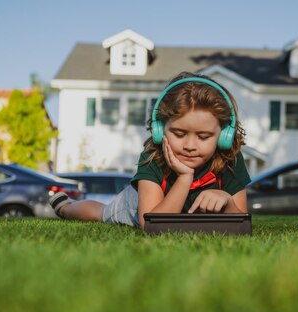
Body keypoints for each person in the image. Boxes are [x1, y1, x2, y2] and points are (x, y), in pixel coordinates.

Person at [50, 72, 251, 230]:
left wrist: (228, 204)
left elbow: (241, 224)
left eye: (204, 137)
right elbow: (153, 225)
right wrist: (184, 178)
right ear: (159, 130)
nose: (190, 145)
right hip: (140, 206)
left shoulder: (230, 158)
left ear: (224, 135)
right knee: (101, 213)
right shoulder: (152, 157)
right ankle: (67, 207)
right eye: (179, 133)